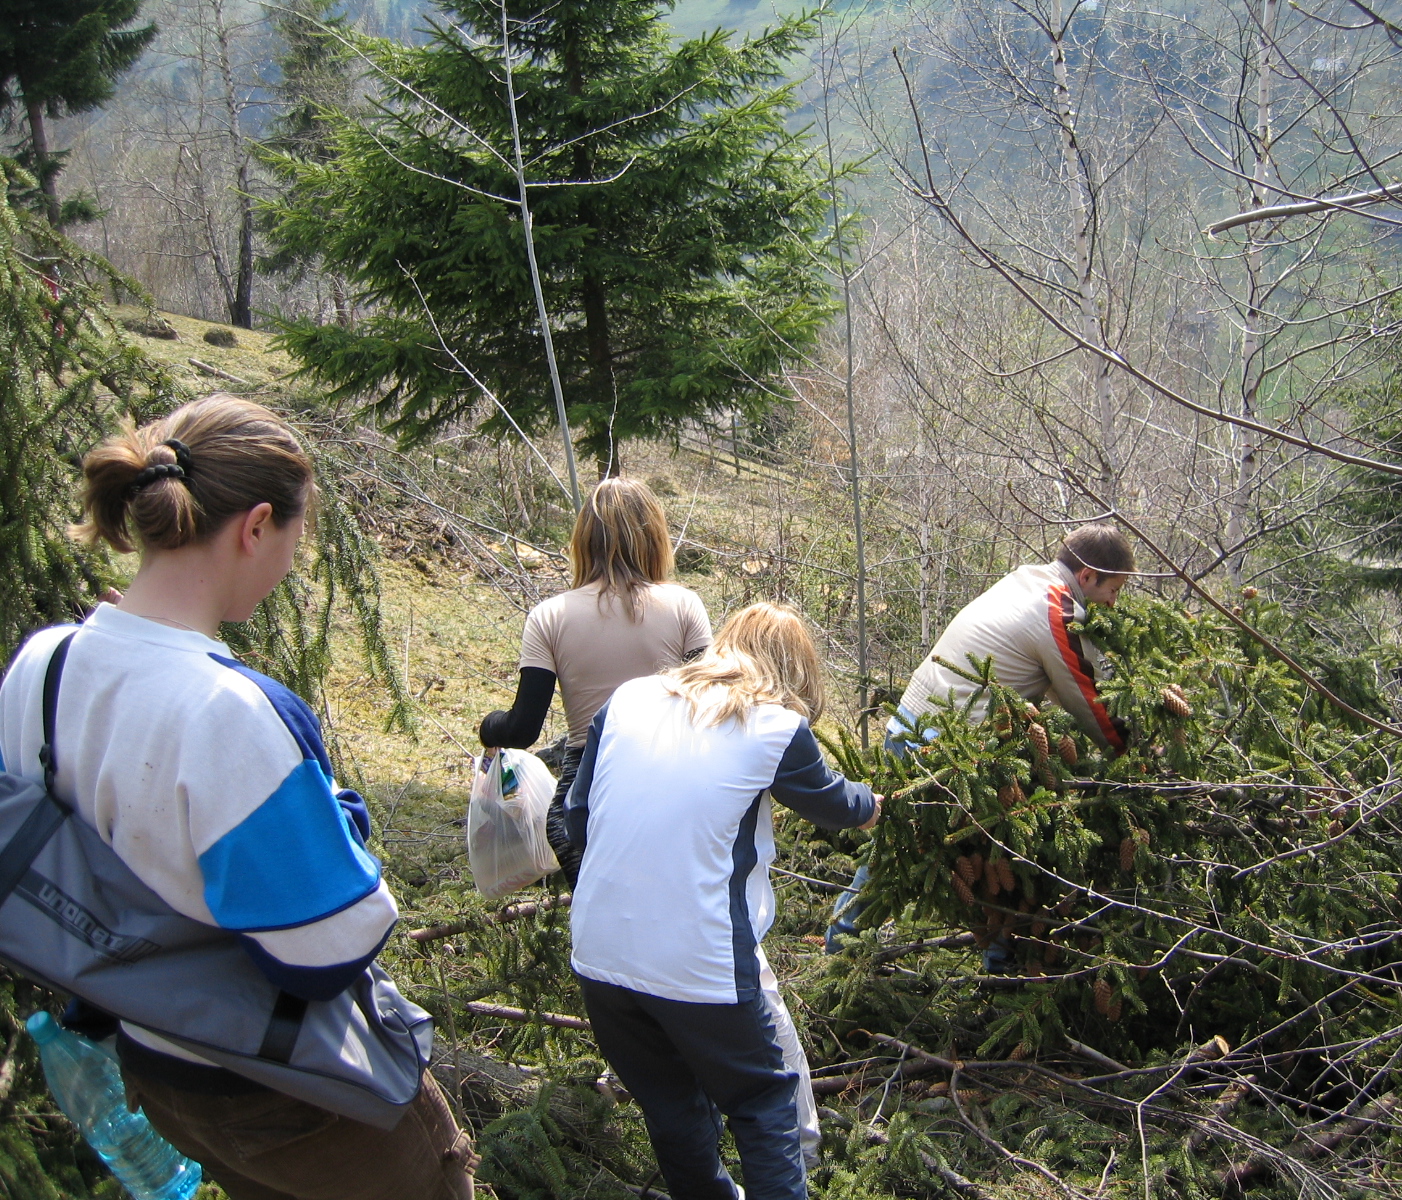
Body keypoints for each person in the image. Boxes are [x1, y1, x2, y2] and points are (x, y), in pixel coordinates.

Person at [0, 396, 475, 1200]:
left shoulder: (40, 665)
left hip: (158, 1068)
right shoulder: (229, 713)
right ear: (256, 527)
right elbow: (328, 949)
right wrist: (340, 816)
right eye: (295, 539)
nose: (291, 563)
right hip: (292, 1087)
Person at [564, 603, 880, 1200]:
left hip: (599, 951)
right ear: (796, 672)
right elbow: (835, 804)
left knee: (671, 1105)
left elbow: (577, 818)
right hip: (700, 958)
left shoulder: (629, 698)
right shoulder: (776, 727)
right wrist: (874, 806)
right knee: (763, 1102)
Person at [827, 523, 1136, 956]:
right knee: (1003, 865)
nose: (1114, 602)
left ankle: (840, 947)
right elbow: (1092, 704)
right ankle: (1001, 966)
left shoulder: (1024, 579)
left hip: (908, 725)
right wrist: (1136, 755)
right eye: (1113, 589)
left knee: (890, 853)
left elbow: (1044, 675)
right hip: (950, 751)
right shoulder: (1058, 609)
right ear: (1087, 576)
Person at [477, 477, 712, 883]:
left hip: (585, 790)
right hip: (668, 779)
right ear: (656, 538)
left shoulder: (549, 616)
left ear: (583, 540)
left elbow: (522, 729)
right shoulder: (685, 606)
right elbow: (708, 707)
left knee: (596, 907)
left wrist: (488, 728)